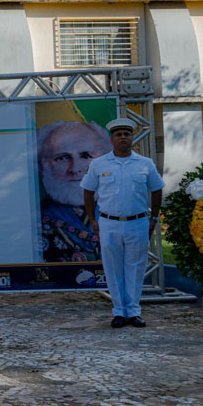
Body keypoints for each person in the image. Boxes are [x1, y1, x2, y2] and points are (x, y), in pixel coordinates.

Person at [81, 118, 164, 329]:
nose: (123, 138)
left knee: (135, 268)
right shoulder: (99, 164)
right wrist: (92, 220)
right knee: (113, 268)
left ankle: (134, 312)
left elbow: (157, 190)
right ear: (112, 139)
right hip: (109, 223)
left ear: (132, 138)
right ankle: (118, 311)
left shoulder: (145, 164)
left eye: (127, 134)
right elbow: (88, 192)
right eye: (119, 135)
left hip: (138, 222)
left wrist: (154, 218)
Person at [37, 121, 111, 262]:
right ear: (41, 166)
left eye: (86, 156)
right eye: (62, 158)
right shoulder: (33, 220)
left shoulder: (118, 211)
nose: (75, 169)